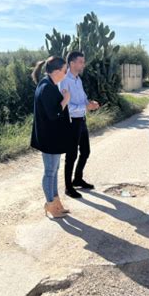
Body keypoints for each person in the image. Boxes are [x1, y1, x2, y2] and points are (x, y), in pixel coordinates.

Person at [30, 56, 72, 218]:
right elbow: (54, 113)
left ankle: (55, 202)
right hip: (49, 138)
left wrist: (62, 99)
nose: (66, 72)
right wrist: (65, 100)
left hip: (53, 136)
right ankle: (50, 204)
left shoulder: (49, 84)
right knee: (50, 171)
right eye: (64, 70)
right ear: (56, 71)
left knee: (54, 170)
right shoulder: (47, 87)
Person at [59, 51, 100, 199]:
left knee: (86, 151)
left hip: (81, 120)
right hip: (71, 122)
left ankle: (77, 179)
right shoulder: (64, 81)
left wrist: (89, 103)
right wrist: (85, 107)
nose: (83, 64)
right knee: (71, 155)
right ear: (72, 63)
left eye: (83, 61)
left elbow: (82, 99)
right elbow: (66, 107)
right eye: (81, 61)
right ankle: (68, 187)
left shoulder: (78, 79)